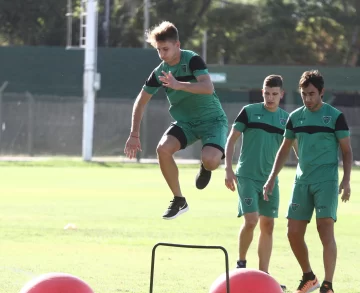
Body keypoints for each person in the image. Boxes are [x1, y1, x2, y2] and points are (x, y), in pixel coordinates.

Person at [124, 21, 228, 220]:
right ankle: (179, 199)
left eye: (165, 49)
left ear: (177, 45)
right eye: (158, 50)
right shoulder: (160, 72)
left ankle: (206, 167)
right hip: (186, 124)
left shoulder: (192, 60)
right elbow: (141, 100)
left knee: (211, 160)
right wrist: (134, 134)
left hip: (213, 121)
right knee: (163, 149)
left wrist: (178, 84)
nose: (162, 54)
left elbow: (208, 88)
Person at [263, 70, 353, 293]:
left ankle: (328, 284)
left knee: (325, 230)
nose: (308, 99)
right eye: (304, 94)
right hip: (301, 182)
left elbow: (347, 151)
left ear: (322, 92)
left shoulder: (334, 116)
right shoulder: (295, 117)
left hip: (326, 182)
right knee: (293, 232)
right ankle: (309, 276)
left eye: (312, 94)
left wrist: (347, 180)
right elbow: (284, 150)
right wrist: (271, 178)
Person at [224, 75, 290, 290]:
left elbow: (296, 150)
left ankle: (264, 276)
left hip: (270, 180)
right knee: (251, 220)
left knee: (268, 225)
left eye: (274, 94)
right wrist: (227, 169)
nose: (270, 98)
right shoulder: (249, 112)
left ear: (282, 94)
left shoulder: (286, 120)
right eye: (266, 93)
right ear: (262, 92)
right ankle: (241, 265)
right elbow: (231, 139)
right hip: (247, 176)